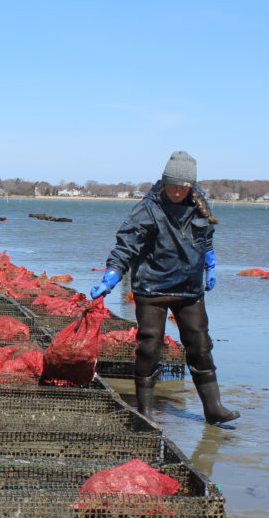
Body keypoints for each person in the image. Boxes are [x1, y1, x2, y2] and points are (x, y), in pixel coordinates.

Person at [89, 151, 239, 425]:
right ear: (163, 181)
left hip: (189, 289)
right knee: (149, 346)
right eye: (171, 185)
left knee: (200, 344)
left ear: (190, 186)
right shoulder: (148, 209)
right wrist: (112, 274)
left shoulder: (198, 203)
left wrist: (210, 261)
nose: (176, 191)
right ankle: (145, 411)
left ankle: (213, 408)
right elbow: (126, 245)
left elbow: (206, 236)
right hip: (152, 288)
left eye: (182, 187)